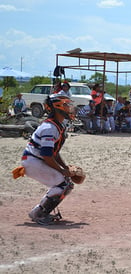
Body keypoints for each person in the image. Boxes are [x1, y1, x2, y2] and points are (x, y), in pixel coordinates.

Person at [15, 94, 77, 225]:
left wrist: (65, 168)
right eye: (65, 105)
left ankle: (39, 212)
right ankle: (39, 214)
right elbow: (47, 155)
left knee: (66, 183)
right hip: (33, 162)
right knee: (63, 184)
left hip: (36, 160)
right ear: (57, 107)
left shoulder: (56, 125)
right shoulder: (50, 128)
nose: (69, 108)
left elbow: (54, 153)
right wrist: (61, 170)